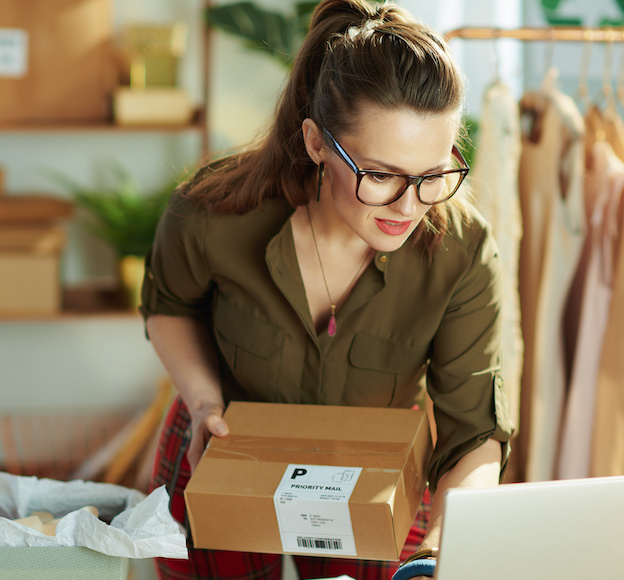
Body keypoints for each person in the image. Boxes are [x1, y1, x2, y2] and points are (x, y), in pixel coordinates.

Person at [140, 1, 513, 578]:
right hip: (224, 449)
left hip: (374, 473)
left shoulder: (461, 251)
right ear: (317, 143)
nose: (410, 207)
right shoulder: (214, 213)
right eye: (381, 175)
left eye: (434, 174)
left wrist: (442, 550)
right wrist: (202, 400)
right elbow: (169, 307)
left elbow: (473, 433)